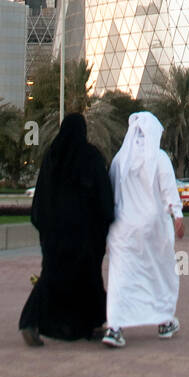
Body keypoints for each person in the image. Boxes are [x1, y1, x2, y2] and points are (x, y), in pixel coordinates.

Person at [18, 111, 115, 346]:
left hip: (55, 236)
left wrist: (46, 226)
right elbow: (103, 195)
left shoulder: (53, 156)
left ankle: (30, 322)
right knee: (88, 279)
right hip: (84, 236)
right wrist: (107, 219)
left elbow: (40, 197)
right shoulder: (90, 157)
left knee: (51, 278)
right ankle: (91, 325)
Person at [102, 111, 185, 348]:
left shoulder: (120, 159)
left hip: (123, 229)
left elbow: (112, 195)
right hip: (152, 228)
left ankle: (115, 328)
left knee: (121, 277)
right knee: (159, 274)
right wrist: (178, 215)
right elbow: (169, 191)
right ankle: (164, 321)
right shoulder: (158, 158)